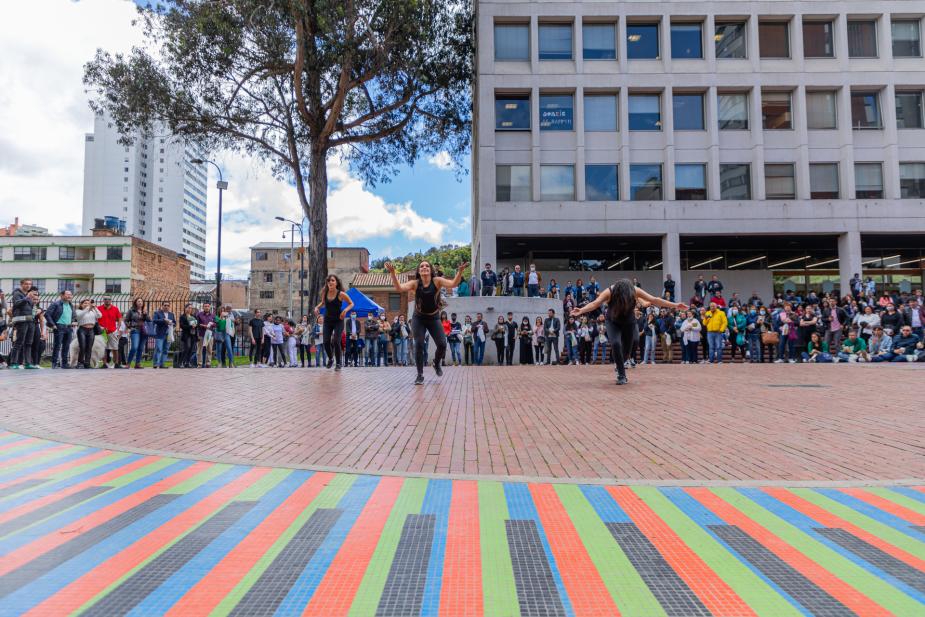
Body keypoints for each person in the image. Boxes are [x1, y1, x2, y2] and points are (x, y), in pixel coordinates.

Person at [571, 279, 687, 385]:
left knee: (628, 351)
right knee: (615, 343)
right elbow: (595, 303)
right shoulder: (609, 291)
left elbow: (654, 300)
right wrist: (581, 310)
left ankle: (622, 360)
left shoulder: (635, 290)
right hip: (613, 322)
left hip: (628, 322)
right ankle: (622, 375)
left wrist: (675, 305)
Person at [384, 259, 467, 384]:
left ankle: (436, 363)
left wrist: (460, 272)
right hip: (419, 318)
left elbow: (453, 284)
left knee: (442, 344)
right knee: (419, 344)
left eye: (427, 266)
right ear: (419, 270)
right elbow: (399, 288)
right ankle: (420, 374)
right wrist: (392, 273)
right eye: (422, 266)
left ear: (430, 269)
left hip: (434, 318)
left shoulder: (437, 281)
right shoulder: (415, 284)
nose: (424, 267)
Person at [314, 274, 354, 371]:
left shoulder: (341, 294)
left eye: (332, 280)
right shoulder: (325, 292)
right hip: (327, 320)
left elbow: (351, 303)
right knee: (326, 341)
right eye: (328, 281)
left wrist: (345, 310)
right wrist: (317, 307)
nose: (330, 282)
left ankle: (338, 363)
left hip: (338, 320)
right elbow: (323, 302)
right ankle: (331, 358)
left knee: (336, 341)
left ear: (336, 283)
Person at [8, 279, 37, 369]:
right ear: (21, 284)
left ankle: (27, 363)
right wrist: (27, 297)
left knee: (29, 343)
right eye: (26, 284)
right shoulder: (17, 293)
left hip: (30, 321)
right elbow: (16, 304)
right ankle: (13, 363)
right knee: (19, 342)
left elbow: (30, 307)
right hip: (21, 321)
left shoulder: (28, 294)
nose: (28, 286)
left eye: (30, 284)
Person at [46, 290, 74, 369]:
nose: (69, 296)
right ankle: (54, 363)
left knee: (66, 346)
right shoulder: (56, 304)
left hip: (68, 327)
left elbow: (73, 315)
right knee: (57, 345)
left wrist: (73, 321)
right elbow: (47, 314)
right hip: (59, 326)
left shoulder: (70, 304)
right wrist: (53, 324)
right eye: (67, 294)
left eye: (70, 294)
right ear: (62, 296)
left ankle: (64, 364)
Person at [72, 298, 101, 369]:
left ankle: (87, 363)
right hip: (82, 330)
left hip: (91, 330)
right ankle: (80, 363)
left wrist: (95, 308)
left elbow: (99, 315)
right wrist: (88, 308)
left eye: (88, 303)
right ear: (81, 304)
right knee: (82, 347)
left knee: (89, 347)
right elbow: (80, 316)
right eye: (85, 303)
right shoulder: (78, 311)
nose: (87, 304)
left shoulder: (92, 311)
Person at [97, 296, 122, 368]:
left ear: (111, 300)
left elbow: (119, 318)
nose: (107, 300)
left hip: (112, 331)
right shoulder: (98, 308)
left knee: (115, 347)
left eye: (109, 299)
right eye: (105, 299)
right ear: (103, 300)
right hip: (102, 331)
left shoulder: (115, 309)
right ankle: (104, 364)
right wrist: (99, 327)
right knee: (103, 348)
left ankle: (116, 363)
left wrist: (118, 327)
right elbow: (96, 318)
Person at [125, 297, 149, 369]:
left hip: (144, 331)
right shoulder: (131, 311)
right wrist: (130, 327)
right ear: (135, 302)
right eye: (138, 301)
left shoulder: (144, 311)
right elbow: (126, 320)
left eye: (141, 301)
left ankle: (137, 363)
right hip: (135, 330)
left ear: (143, 303)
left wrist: (145, 314)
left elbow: (149, 320)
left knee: (141, 348)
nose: (140, 302)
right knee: (134, 347)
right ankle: (128, 363)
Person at [152, 302, 176, 369]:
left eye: (168, 305)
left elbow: (175, 323)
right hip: (160, 333)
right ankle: (155, 363)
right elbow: (154, 320)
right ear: (162, 306)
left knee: (166, 349)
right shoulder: (157, 313)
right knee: (159, 349)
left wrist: (172, 323)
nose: (166, 306)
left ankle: (162, 364)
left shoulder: (171, 314)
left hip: (169, 334)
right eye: (165, 305)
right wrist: (164, 320)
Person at [196, 303, 216, 368]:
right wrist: (202, 325)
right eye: (205, 306)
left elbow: (215, 324)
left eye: (208, 306)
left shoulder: (213, 315)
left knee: (209, 350)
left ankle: (208, 363)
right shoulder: (199, 314)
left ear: (210, 307)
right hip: (201, 334)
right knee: (199, 350)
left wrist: (212, 324)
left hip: (210, 334)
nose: (207, 307)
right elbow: (197, 324)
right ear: (203, 307)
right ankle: (199, 364)